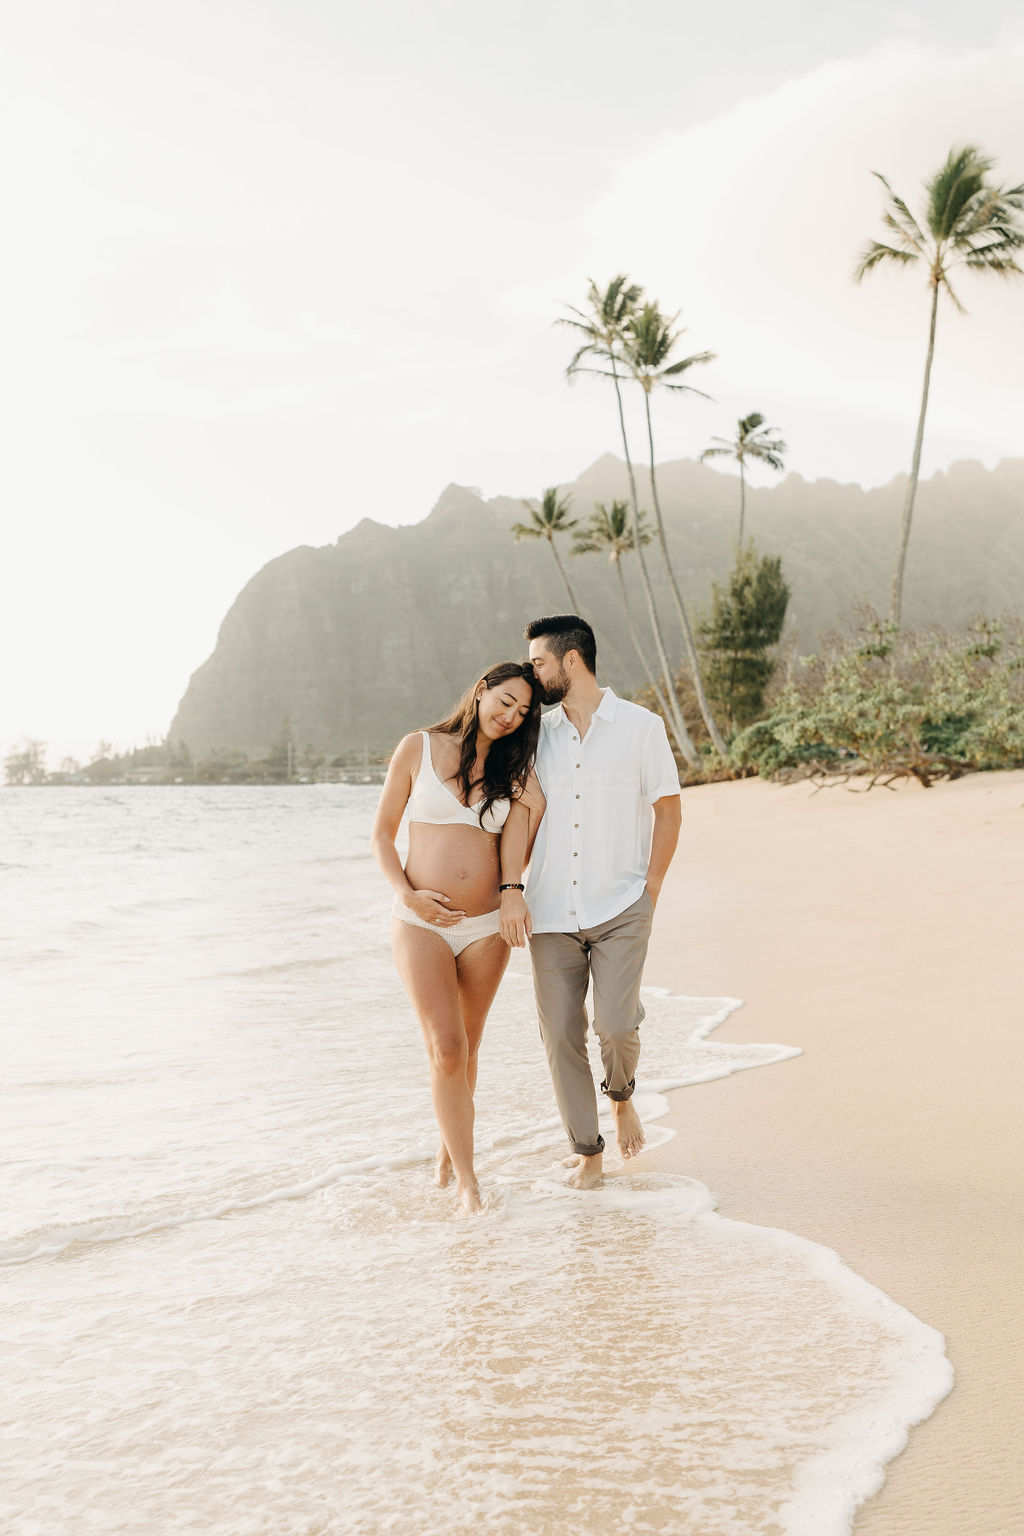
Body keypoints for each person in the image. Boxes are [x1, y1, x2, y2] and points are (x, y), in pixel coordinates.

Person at [371, 662, 545, 1215]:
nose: (511, 716)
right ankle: (470, 1182)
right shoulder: (418, 747)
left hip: (486, 927)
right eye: (506, 701)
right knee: (446, 1047)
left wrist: (532, 807)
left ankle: (451, 1148)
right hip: (421, 921)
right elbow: (380, 834)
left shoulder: (514, 771)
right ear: (481, 690)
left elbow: (521, 843)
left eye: (522, 712)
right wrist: (407, 894)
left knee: (468, 1048)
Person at [524, 614, 682, 1189]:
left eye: (540, 661)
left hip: (621, 904)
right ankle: (587, 1151)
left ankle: (621, 1096)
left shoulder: (642, 727)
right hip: (548, 913)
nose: (532, 671)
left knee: (614, 1026)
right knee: (561, 1032)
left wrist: (653, 887)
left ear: (571, 660)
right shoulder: (535, 735)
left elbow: (668, 807)